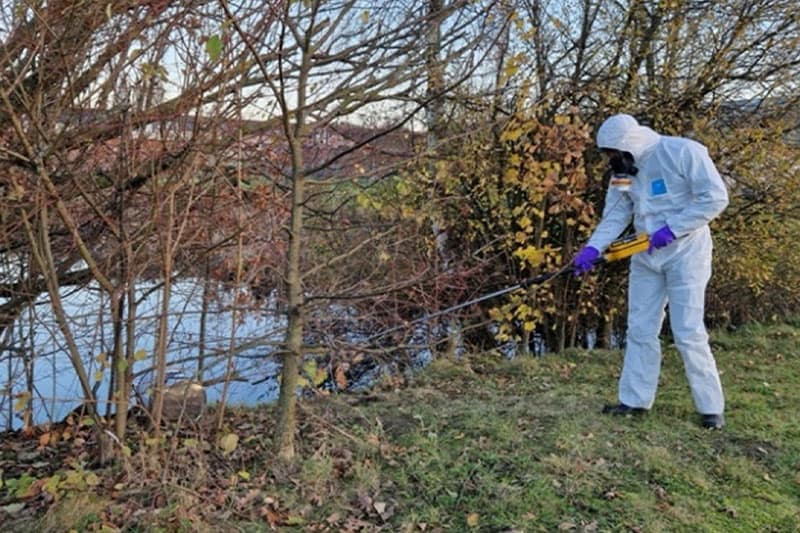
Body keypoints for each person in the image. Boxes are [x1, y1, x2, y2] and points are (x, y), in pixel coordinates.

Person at [573, 114, 729, 429]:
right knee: (640, 328)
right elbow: (616, 214)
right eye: (607, 155)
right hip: (646, 255)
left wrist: (673, 229)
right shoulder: (623, 172)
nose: (610, 160)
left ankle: (711, 408)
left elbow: (715, 198)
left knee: (687, 331)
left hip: (687, 253)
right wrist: (593, 248)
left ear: (627, 144)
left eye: (612, 154)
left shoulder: (683, 152)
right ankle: (634, 401)